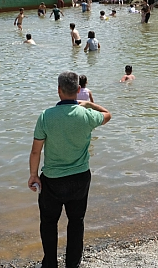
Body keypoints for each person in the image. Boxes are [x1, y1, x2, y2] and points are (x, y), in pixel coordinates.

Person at [29, 71, 111, 268]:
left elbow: (35, 151)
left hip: (52, 180)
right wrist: (90, 104)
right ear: (79, 90)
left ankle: (50, 263)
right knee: (76, 222)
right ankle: (72, 264)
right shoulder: (87, 115)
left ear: (59, 91)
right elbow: (108, 115)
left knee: (49, 223)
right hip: (80, 179)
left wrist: (33, 175)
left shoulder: (46, 116)